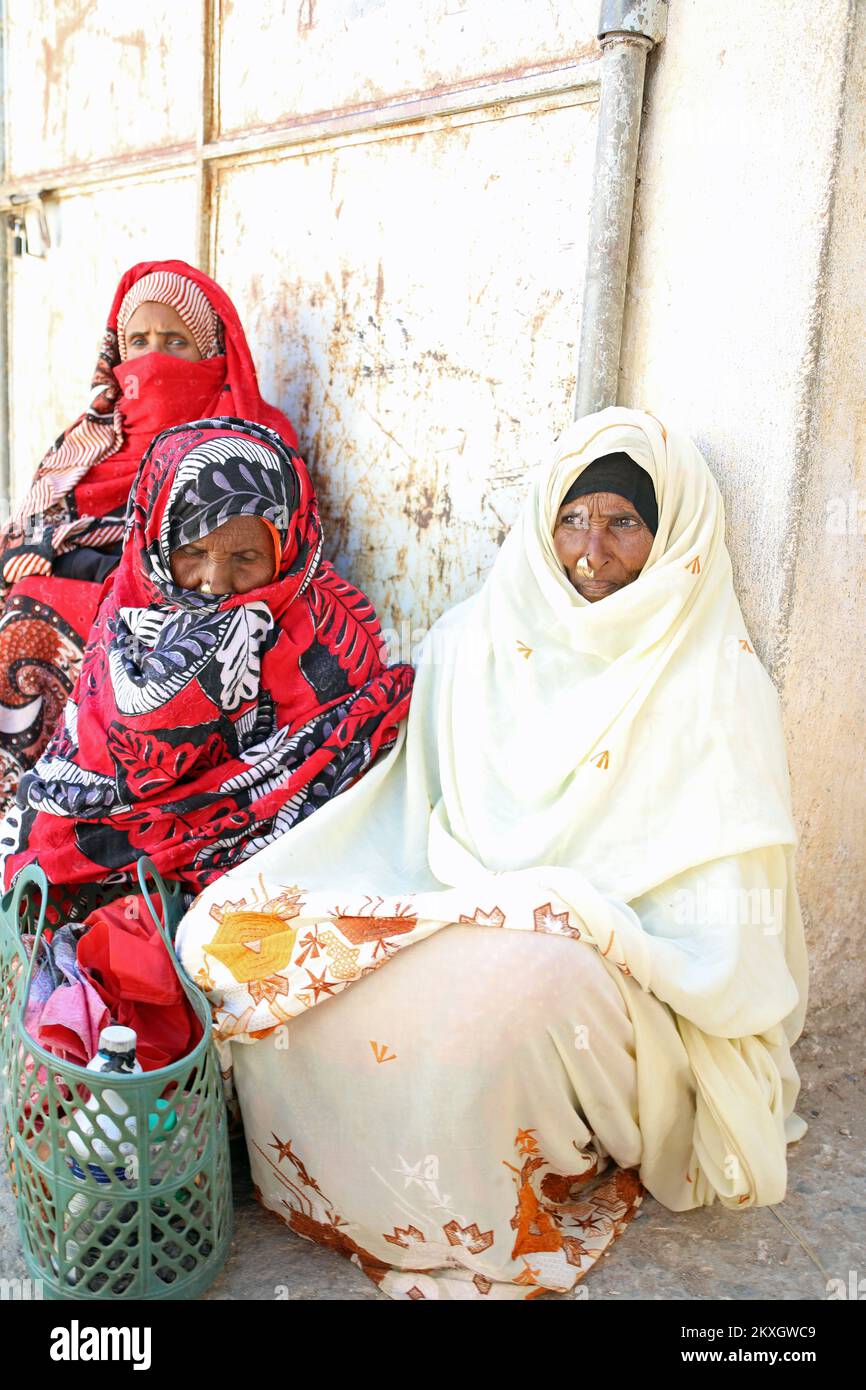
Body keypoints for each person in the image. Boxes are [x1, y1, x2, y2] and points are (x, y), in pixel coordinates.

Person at [176, 406, 808, 1301]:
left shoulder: (717, 681)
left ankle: (471, 1207)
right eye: (573, 517)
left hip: (618, 964)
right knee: (240, 931)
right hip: (463, 895)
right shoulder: (478, 638)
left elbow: (725, 938)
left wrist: (572, 914)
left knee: (515, 998)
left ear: (675, 538)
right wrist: (478, 899)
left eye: (624, 523)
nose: (591, 549)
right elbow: (411, 801)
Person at [0, 417, 413, 899]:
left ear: (288, 553)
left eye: (245, 559)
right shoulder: (129, 611)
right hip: (93, 858)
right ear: (154, 540)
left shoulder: (335, 637)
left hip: (261, 881)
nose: (214, 581)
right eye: (191, 551)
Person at [0, 260, 299, 804]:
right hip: (96, 601)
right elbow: (28, 537)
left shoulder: (253, 435)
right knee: (23, 605)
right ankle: (24, 804)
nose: (153, 359)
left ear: (210, 352)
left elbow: (263, 559)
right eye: (137, 341)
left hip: (201, 611)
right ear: (116, 355)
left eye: (175, 342)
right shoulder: (92, 439)